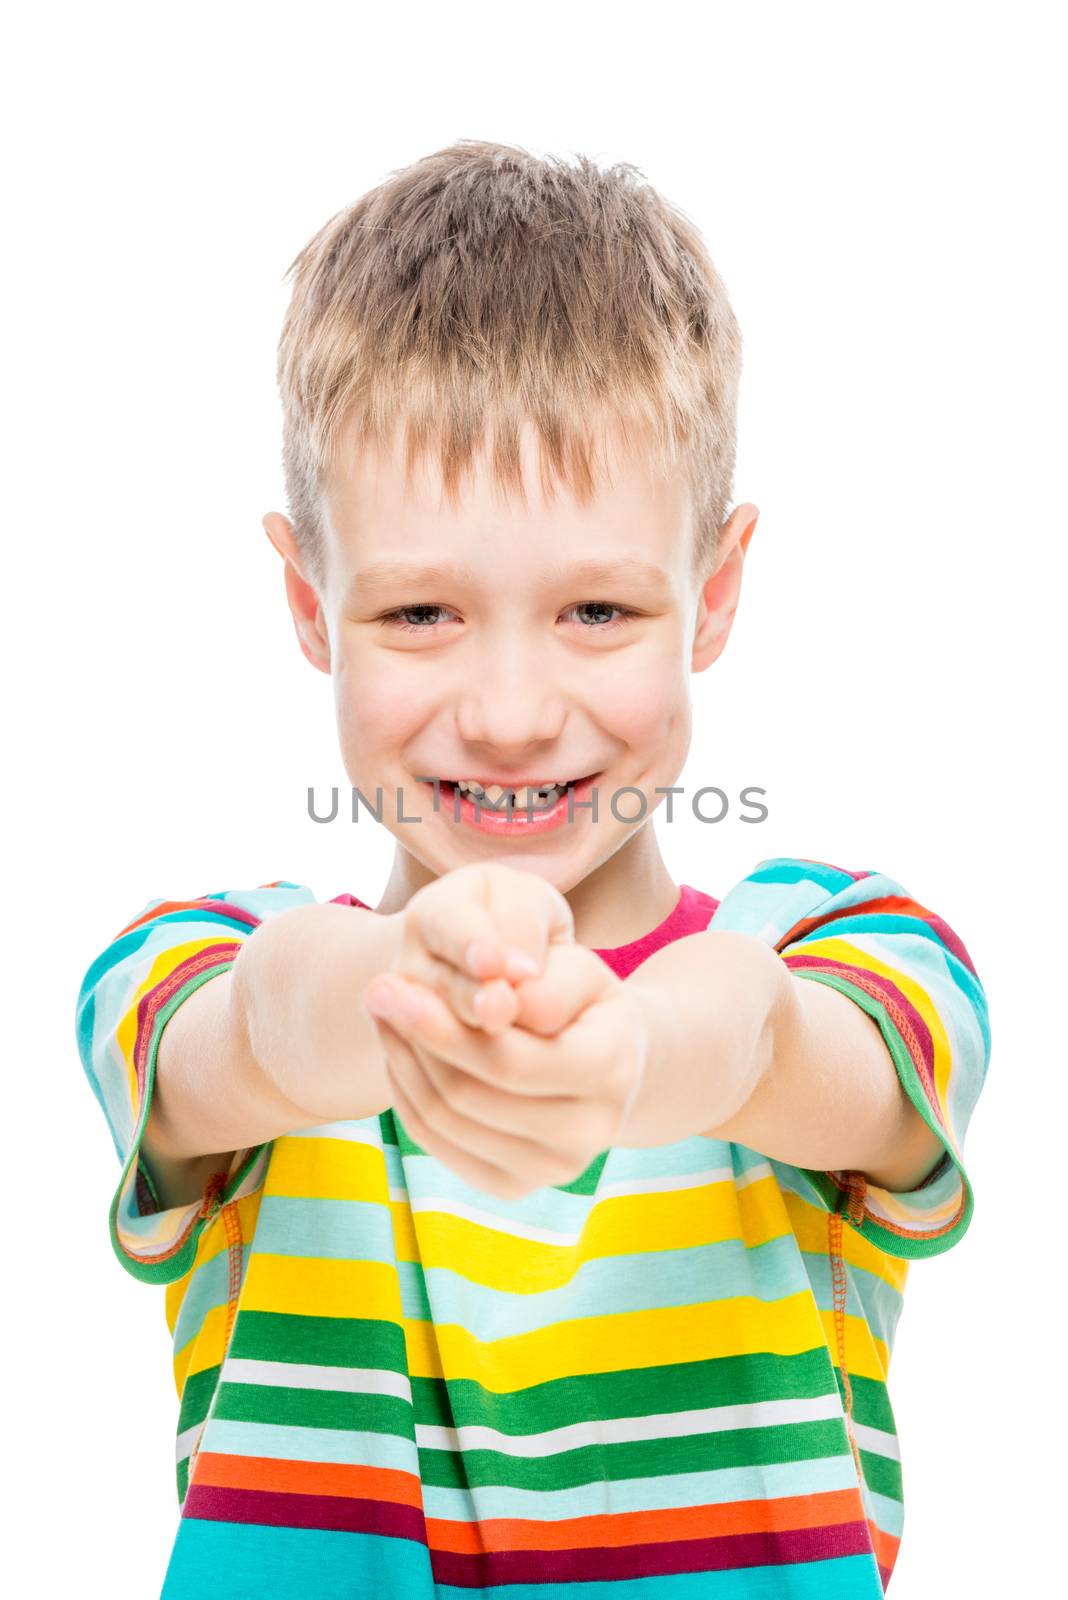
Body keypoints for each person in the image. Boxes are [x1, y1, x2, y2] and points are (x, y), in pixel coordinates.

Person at [74, 140, 990, 1599]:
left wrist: (631, 1056)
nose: (507, 712)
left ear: (719, 591)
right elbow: (252, 1027)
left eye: (597, 609)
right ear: (312, 605)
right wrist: (417, 981)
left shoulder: (852, 951)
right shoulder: (185, 966)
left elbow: (766, 1032)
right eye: (423, 610)